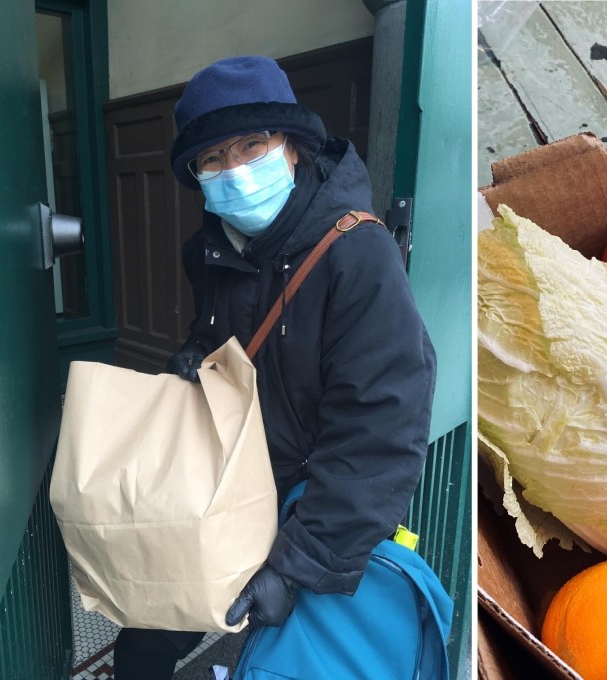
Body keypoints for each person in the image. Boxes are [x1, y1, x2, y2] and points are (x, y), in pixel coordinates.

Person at [111, 55, 437, 680]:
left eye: (252, 145)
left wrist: (295, 565)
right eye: (212, 159)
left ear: (290, 147)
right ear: (196, 175)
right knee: (146, 639)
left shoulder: (357, 253)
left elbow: (381, 429)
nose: (234, 171)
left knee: (281, 660)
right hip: (225, 491)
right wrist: (192, 364)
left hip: (308, 513)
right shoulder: (211, 250)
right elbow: (221, 348)